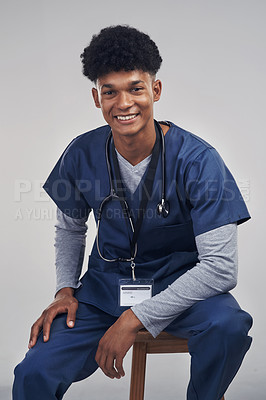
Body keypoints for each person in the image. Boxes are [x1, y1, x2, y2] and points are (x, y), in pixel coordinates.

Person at [13, 25, 253, 400]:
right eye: (110, 91)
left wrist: (135, 318)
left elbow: (220, 267)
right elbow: (71, 230)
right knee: (33, 371)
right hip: (105, 290)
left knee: (228, 326)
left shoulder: (199, 161)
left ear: (155, 90)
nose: (123, 103)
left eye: (136, 88)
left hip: (179, 289)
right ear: (97, 97)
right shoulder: (81, 153)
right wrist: (64, 289)